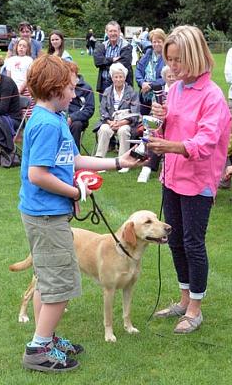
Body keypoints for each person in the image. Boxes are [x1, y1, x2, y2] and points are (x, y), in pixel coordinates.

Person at [18, 54, 143, 373]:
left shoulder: (55, 117)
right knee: (59, 284)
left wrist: (118, 162)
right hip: (45, 217)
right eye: (71, 88)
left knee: (49, 280)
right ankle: (38, 349)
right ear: (54, 89)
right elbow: (38, 174)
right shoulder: (46, 123)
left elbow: (72, 161)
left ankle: (45, 338)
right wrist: (76, 192)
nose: (75, 94)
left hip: (49, 214)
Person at [148, 25, 231, 334]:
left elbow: (206, 142)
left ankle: (195, 309)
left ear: (195, 56)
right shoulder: (176, 89)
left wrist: (170, 146)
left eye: (178, 59)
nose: (173, 66)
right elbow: (166, 132)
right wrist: (160, 121)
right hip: (172, 177)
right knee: (175, 241)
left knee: (193, 243)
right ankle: (184, 299)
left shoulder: (212, 96)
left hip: (198, 182)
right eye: (169, 59)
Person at [92, 63, 139, 163]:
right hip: (110, 122)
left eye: (120, 77)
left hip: (125, 123)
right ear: (112, 78)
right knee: (104, 129)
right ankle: (99, 160)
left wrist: (120, 123)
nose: (118, 79)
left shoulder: (132, 92)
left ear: (125, 78)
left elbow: (135, 113)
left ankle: (122, 161)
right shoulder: (107, 91)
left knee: (123, 131)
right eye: (115, 77)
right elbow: (102, 110)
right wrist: (110, 122)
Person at [137, 65, 176, 183]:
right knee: (155, 131)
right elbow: (151, 107)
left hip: (174, 125)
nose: (172, 78)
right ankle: (146, 167)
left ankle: (146, 163)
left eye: (174, 76)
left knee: (157, 137)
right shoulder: (159, 91)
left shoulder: (181, 91)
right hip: (158, 122)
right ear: (164, 78)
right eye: (169, 76)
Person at [94, 21, 133, 97]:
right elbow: (98, 62)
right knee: (104, 108)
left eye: (115, 31)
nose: (113, 33)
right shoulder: (102, 45)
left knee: (122, 108)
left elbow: (125, 62)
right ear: (106, 32)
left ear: (119, 32)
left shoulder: (127, 46)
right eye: (110, 31)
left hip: (122, 84)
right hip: (104, 84)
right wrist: (112, 60)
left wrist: (105, 62)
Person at [135, 28, 166, 115]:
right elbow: (138, 70)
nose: (156, 44)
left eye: (159, 41)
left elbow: (167, 77)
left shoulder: (168, 57)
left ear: (164, 42)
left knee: (157, 120)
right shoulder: (147, 54)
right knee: (144, 120)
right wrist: (142, 83)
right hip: (144, 94)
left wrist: (151, 85)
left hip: (160, 95)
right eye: (154, 42)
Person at [66, 69, 95, 147]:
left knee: (76, 125)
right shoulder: (62, 85)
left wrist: (72, 117)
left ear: (75, 74)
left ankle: (74, 154)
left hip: (79, 119)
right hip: (63, 116)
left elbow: (89, 109)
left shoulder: (86, 87)